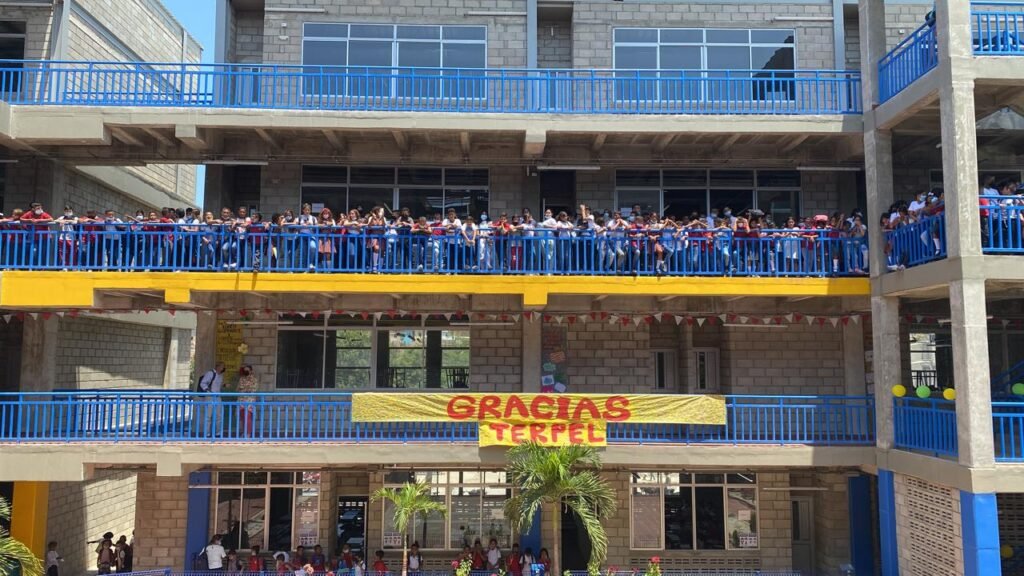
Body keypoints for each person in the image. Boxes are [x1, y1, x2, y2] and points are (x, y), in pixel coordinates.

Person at [196, 362, 226, 437]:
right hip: (210, 396)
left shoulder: (220, 376)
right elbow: (203, 383)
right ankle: (207, 433)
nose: (223, 368)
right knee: (208, 416)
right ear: (218, 367)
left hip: (218, 396)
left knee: (219, 415)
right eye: (222, 367)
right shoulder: (210, 373)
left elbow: (218, 385)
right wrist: (208, 391)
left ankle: (218, 432)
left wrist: (224, 385)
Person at [236, 364, 258, 437]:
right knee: (242, 417)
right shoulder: (242, 378)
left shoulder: (254, 379)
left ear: (251, 371)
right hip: (241, 400)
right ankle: (244, 432)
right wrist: (245, 390)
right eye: (244, 370)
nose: (246, 371)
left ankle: (248, 433)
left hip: (250, 400)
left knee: (248, 416)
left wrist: (244, 389)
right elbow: (238, 388)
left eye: (247, 370)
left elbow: (253, 389)